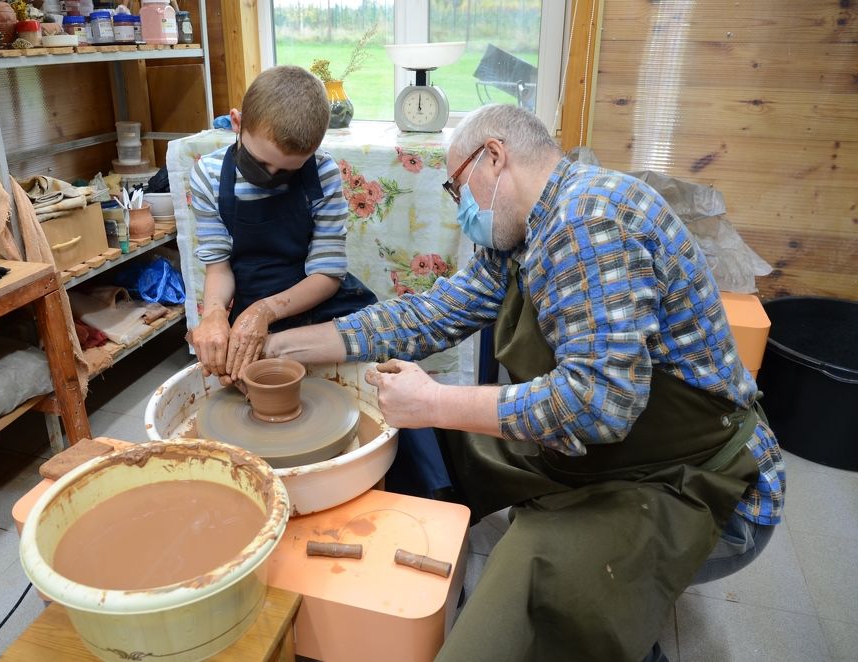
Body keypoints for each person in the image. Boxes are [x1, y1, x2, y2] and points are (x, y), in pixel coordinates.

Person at [258, 104, 785, 661]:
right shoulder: (522, 233)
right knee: (452, 440)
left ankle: (607, 612)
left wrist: (435, 401)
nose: (460, 206)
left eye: (456, 186)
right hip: (628, 448)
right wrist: (285, 346)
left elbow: (598, 405)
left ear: (493, 157)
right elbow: (431, 315)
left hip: (698, 481)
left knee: (527, 602)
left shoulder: (587, 222)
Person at [185, 65, 452, 498]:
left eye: (288, 170)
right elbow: (219, 268)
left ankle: (426, 495)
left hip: (317, 296)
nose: (273, 177)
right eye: (263, 163)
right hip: (250, 297)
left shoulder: (323, 174)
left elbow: (327, 276)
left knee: (384, 368)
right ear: (237, 124)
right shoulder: (209, 176)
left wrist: (264, 311)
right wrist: (215, 315)